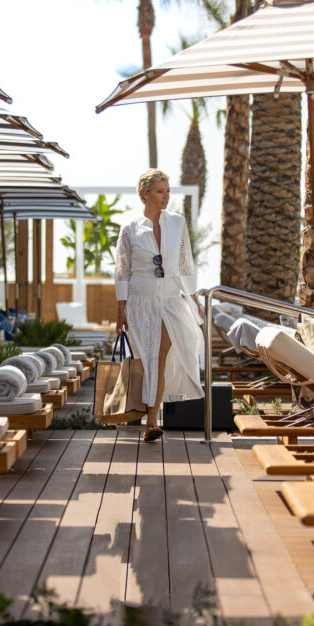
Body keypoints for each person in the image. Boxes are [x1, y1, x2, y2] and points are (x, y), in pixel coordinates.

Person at [114, 169, 204, 442]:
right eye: (159, 191)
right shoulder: (130, 228)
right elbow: (121, 270)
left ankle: (152, 421)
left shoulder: (177, 223)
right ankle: (141, 416)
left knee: (159, 358)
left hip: (169, 301)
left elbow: (184, 263)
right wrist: (120, 309)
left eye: (167, 191)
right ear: (145, 194)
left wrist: (193, 297)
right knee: (145, 359)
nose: (165, 197)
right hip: (140, 302)